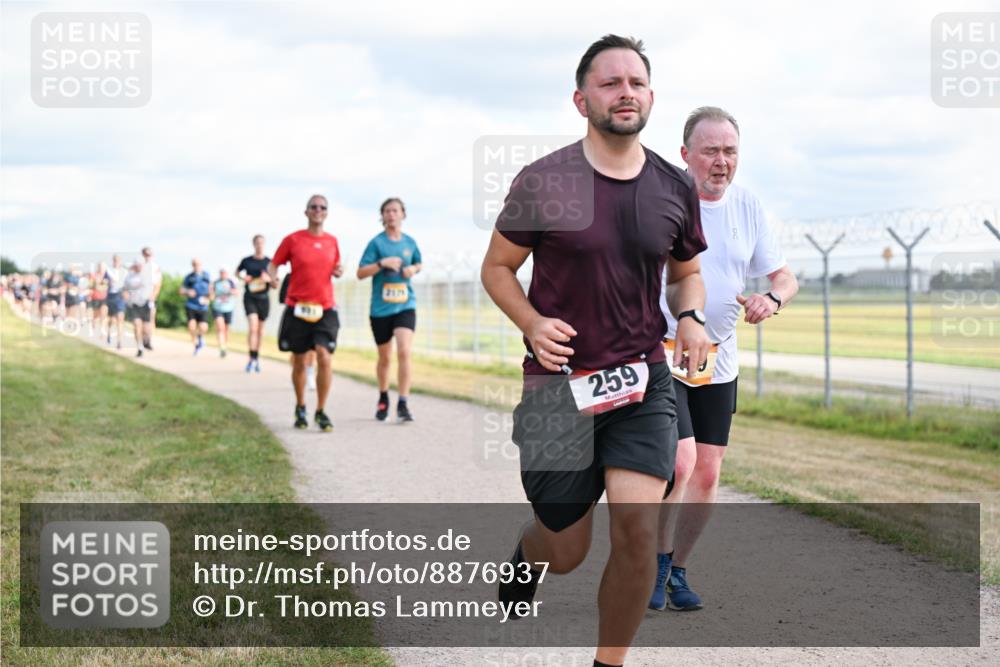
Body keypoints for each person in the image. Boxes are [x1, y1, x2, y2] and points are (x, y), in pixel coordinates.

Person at [480, 35, 709, 667]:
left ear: (652, 96)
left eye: (635, 81)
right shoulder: (544, 180)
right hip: (559, 389)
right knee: (567, 548)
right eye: (609, 83)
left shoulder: (673, 185)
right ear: (582, 100)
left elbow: (686, 271)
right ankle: (529, 556)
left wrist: (687, 316)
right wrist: (529, 321)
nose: (625, 92)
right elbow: (498, 268)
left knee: (636, 531)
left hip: (643, 383)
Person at [648, 106, 800, 613]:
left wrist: (771, 299)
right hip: (664, 352)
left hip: (719, 358)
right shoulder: (664, 205)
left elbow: (784, 277)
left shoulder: (749, 207)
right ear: (686, 154)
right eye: (710, 150)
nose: (721, 161)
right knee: (680, 460)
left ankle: (676, 570)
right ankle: (652, 563)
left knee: (708, 475)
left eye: (730, 151)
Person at [267, 194, 344, 432]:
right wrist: (272, 278)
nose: (318, 210)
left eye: (322, 207)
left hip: (325, 307)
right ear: (306, 212)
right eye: (314, 207)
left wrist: (339, 270)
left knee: (324, 355)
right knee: (299, 360)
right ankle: (301, 406)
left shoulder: (332, 241)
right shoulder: (293, 240)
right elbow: (274, 264)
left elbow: (336, 266)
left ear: (327, 213)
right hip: (297, 307)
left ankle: (321, 410)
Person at [357, 197, 423, 422]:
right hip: (380, 309)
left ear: (403, 214)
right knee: (385, 357)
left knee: (404, 350)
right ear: (382, 216)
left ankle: (403, 403)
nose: (391, 214)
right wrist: (381, 264)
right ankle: (384, 396)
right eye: (386, 211)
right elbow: (360, 273)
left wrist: (413, 269)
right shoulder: (376, 244)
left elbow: (419, 263)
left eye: (395, 210)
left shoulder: (410, 243)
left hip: (405, 305)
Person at [237, 234, 273, 372]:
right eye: (257, 243)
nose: (259, 245)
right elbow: (237, 272)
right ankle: (251, 358)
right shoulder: (247, 261)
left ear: (264, 244)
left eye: (261, 243)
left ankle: (256, 357)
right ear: (253, 244)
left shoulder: (269, 262)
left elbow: (275, 282)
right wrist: (243, 277)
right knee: (253, 327)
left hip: (264, 298)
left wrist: (268, 278)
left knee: (260, 331)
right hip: (250, 297)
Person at [180, 258, 211, 355]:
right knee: (191, 325)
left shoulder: (206, 275)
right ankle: (196, 344)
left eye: (198, 264)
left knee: (204, 327)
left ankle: (200, 337)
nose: (196, 266)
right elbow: (181, 291)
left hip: (203, 306)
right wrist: (187, 292)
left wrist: (209, 298)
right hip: (191, 305)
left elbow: (211, 290)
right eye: (194, 264)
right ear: (192, 265)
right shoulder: (189, 277)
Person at [123, 258, 152, 357]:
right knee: (136, 325)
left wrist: (152, 299)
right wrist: (126, 296)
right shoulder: (129, 276)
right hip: (134, 304)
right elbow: (125, 289)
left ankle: (146, 340)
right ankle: (139, 347)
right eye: (137, 265)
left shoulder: (147, 275)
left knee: (146, 328)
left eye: (140, 265)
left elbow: (153, 287)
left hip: (145, 303)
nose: (139, 267)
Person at [211, 267, 238, 358]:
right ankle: (221, 347)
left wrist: (230, 290)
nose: (223, 274)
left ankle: (225, 345)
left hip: (228, 308)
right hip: (218, 308)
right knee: (220, 327)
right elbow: (211, 295)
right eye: (221, 272)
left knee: (226, 329)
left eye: (224, 273)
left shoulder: (231, 282)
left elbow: (237, 293)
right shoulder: (215, 283)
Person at [141, 246, 162, 349]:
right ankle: (142, 339)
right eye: (146, 254)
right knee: (140, 320)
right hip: (139, 298)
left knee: (150, 319)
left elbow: (158, 283)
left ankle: (148, 340)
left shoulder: (155, 267)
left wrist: (154, 295)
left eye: (150, 254)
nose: (148, 256)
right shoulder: (140, 266)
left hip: (150, 298)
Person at [105, 254, 128, 349]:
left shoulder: (125, 272)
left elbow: (128, 284)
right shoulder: (109, 271)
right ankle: (109, 333)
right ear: (113, 261)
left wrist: (126, 292)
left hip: (120, 296)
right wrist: (107, 282)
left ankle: (119, 342)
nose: (116, 262)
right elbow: (103, 282)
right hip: (111, 295)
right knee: (111, 319)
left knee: (120, 318)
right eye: (115, 260)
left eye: (118, 260)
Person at [89, 261, 110, 340]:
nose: (102, 268)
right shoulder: (94, 275)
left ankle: (102, 331)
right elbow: (90, 286)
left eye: (103, 267)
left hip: (104, 298)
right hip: (95, 298)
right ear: (98, 267)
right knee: (95, 316)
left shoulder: (107, 276)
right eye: (101, 267)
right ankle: (92, 330)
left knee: (103, 314)